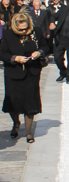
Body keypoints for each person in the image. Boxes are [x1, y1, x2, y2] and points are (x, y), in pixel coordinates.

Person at [0, 13, 49, 143]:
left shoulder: (36, 32)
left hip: (31, 72)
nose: (24, 31)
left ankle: (28, 132)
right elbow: (2, 53)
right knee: (13, 102)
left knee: (30, 102)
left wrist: (39, 52)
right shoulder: (8, 34)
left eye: (26, 28)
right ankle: (16, 123)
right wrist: (15, 58)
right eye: (21, 29)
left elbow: (47, 46)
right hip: (13, 73)